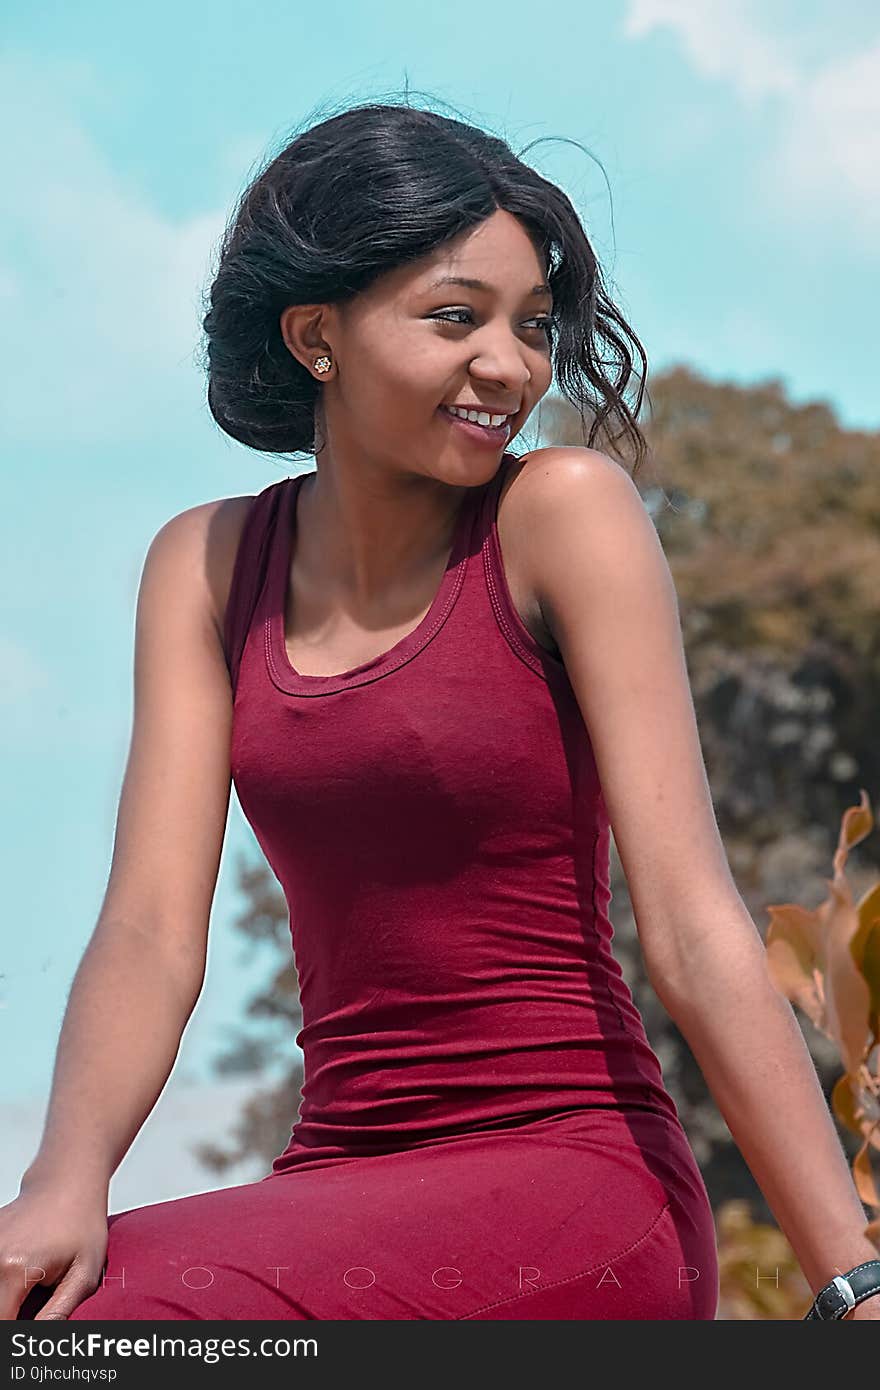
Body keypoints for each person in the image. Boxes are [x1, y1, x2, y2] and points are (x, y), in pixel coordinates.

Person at [4, 100, 878, 1322]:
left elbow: (690, 924)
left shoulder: (560, 516)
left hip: (578, 1180)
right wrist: (62, 1177)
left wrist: (854, 1284)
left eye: (532, 326)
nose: (512, 364)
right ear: (318, 335)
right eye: (455, 317)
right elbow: (151, 930)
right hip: (340, 1177)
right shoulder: (204, 565)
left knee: (113, 1332)